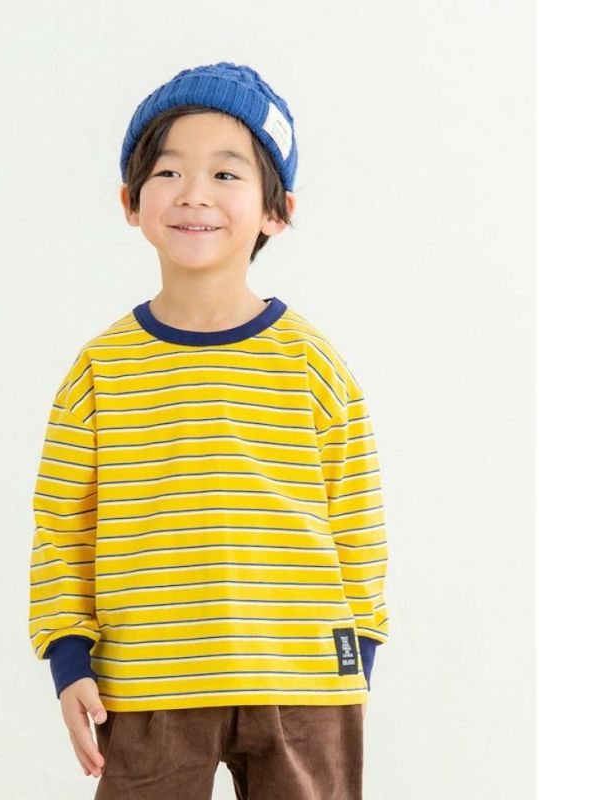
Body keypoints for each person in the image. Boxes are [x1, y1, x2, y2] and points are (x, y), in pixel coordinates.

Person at [28, 61, 390, 800]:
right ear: (131, 201)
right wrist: (68, 657)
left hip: (302, 681)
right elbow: (62, 528)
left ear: (276, 211)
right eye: (168, 171)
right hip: (146, 678)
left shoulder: (314, 364)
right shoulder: (99, 371)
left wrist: (359, 656)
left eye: (226, 174)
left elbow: (356, 519)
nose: (193, 192)